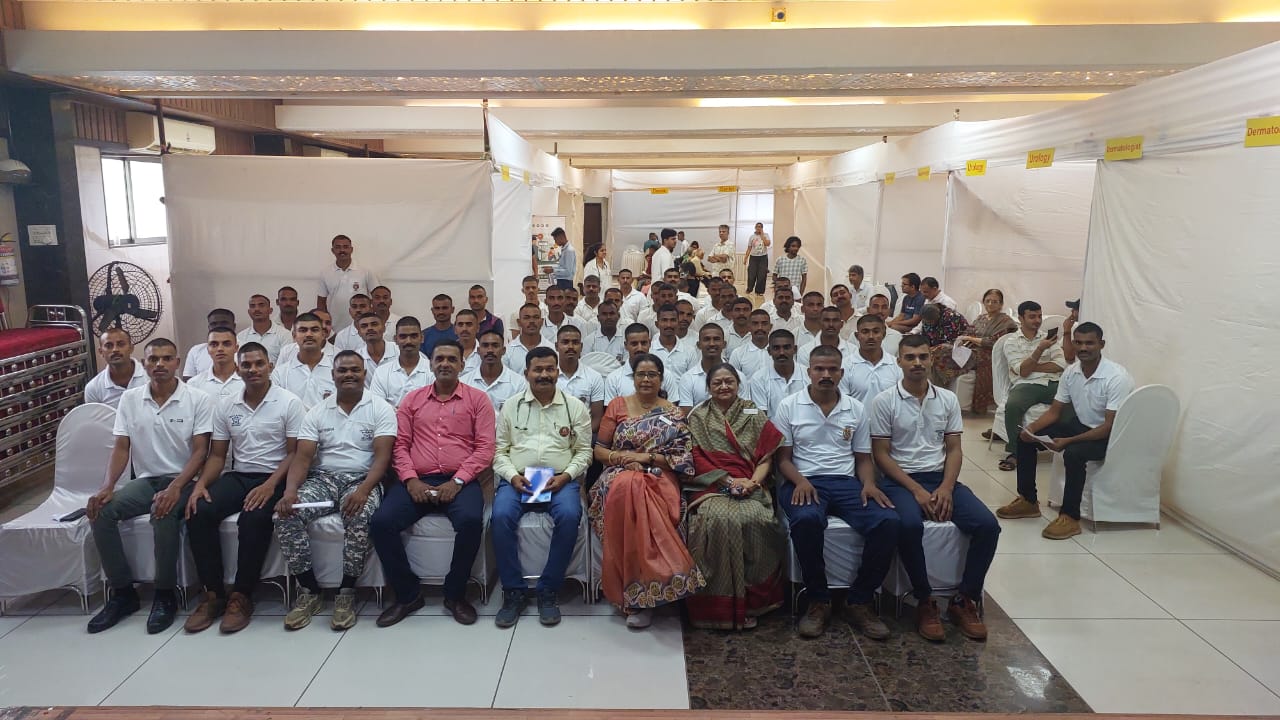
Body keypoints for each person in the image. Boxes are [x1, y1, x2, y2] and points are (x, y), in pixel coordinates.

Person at [870, 334, 1000, 641]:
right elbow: (881, 455)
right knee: (908, 525)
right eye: (910, 357)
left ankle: (964, 599)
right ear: (899, 362)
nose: (917, 363)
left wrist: (946, 488)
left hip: (940, 477)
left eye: (923, 357)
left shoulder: (947, 399)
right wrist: (916, 491)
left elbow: (954, 449)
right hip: (900, 481)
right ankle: (924, 600)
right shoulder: (884, 401)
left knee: (987, 525)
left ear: (931, 360)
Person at [86, 338, 213, 634]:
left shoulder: (197, 398)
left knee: (162, 511)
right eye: (153, 359)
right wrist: (107, 486)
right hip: (146, 480)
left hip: (185, 480)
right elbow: (121, 446)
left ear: (177, 363)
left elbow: (200, 452)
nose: (160, 364)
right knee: (101, 511)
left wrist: (176, 487)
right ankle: (123, 593)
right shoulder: (130, 399)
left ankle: (165, 594)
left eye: (166, 358)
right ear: (144, 364)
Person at [773, 345, 898, 640]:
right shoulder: (789, 405)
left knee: (888, 522)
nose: (825, 374)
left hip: (845, 482)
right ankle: (818, 600)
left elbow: (863, 459)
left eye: (832, 369)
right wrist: (801, 481)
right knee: (807, 520)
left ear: (841, 373)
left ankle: (860, 600)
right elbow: (783, 460)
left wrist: (869, 484)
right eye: (819, 369)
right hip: (802, 480)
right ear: (809, 372)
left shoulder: (855, 408)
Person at [182, 342, 305, 634]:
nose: (253, 370)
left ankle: (241, 596)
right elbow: (217, 455)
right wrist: (200, 485)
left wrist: (270, 485)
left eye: (259, 364)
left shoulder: (288, 402)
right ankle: (213, 594)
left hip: (276, 476)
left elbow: (295, 453)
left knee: (254, 518)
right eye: (246, 365)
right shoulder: (227, 404)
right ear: (238, 370)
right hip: (239, 475)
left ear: (270, 367)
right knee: (199, 510)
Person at [372, 341, 496, 627]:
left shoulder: (478, 400)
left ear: (462, 365)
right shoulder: (412, 400)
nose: (445, 364)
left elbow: (485, 448)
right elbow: (400, 445)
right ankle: (408, 594)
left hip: (460, 480)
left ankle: (455, 595)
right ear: (430, 364)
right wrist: (410, 480)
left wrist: (458, 480)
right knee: (381, 523)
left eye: (452, 359)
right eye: (439, 359)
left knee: (470, 521)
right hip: (417, 478)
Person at [272, 351, 394, 631]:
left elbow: (382, 458)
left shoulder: (380, 408)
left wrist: (364, 490)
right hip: (323, 479)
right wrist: (290, 491)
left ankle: (346, 593)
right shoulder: (317, 411)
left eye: (355, 370)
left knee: (360, 516)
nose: (349, 374)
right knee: (285, 515)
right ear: (333, 375)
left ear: (364, 374)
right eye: (342, 370)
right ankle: (310, 591)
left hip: (363, 479)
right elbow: (303, 458)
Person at [591, 354, 705, 628]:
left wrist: (645, 458)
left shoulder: (674, 413)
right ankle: (642, 593)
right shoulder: (618, 406)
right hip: (618, 473)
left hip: (660, 476)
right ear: (633, 378)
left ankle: (649, 592)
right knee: (628, 487)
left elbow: (681, 459)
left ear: (661, 379)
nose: (645, 379)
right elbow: (599, 450)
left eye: (652, 374)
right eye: (640, 374)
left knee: (638, 489)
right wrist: (623, 459)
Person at [1001, 323, 1135, 540]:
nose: (1083, 348)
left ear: (1101, 344)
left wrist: (1069, 440)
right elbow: (1054, 412)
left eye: (1089, 343)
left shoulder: (1116, 377)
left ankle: (1070, 517)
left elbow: (1109, 427)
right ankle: (1028, 501)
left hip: (1110, 436)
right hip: (1082, 427)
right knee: (1025, 439)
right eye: (1078, 342)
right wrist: (1031, 428)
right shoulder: (1071, 372)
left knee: (1073, 453)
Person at [491, 347, 593, 628]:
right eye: (538, 370)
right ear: (526, 373)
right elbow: (499, 452)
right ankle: (513, 591)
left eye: (550, 369)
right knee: (499, 517)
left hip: (560, 480)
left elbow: (584, 452)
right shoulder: (511, 406)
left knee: (570, 516)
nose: (544, 375)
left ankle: (549, 589)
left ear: (558, 372)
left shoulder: (574, 407)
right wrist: (512, 476)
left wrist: (566, 477)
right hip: (518, 479)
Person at [685, 363, 784, 630]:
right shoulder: (698, 417)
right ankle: (716, 608)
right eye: (717, 382)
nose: (724, 386)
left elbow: (767, 457)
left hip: (752, 485)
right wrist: (728, 481)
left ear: (738, 384)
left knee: (756, 519)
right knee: (716, 520)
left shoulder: (752, 411)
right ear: (708, 387)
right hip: (713, 486)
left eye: (729, 381)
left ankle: (753, 603)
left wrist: (752, 483)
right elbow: (696, 458)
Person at [991, 301, 1067, 470]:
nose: (1037, 320)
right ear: (1021, 318)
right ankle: (1016, 452)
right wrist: (1039, 350)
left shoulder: (1049, 338)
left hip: (1052, 382)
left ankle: (1063, 444)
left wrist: (1031, 365)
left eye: (1039, 316)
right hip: (1026, 384)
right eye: (1032, 317)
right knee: (1013, 405)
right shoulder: (1011, 341)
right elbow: (1023, 373)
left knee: (1073, 402)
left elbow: (1061, 364)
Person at [955, 289, 1018, 416]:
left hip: (990, 356)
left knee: (943, 353)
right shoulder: (981, 318)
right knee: (943, 350)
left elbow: (994, 342)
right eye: (987, 301)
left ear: (1001, 304)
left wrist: (970, 339)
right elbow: (968, 332)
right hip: (972, 350)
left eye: (994, 302)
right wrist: (962, 339)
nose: (990, 304)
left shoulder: (1006, 322)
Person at [270, 313, 336, 409]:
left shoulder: (337, 371)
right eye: (303, 330)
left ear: (323, 334)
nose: (309, 334)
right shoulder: (280, 374)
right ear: (294, 335)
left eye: (314, 330)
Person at [316, 234, 378, 331]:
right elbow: (321, 302)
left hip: (362, 327)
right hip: (335, 328)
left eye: (345, 247)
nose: (342, 250)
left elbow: (377, 298)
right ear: (332, 250)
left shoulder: (365, 272)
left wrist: (372, 319)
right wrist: (324, 325)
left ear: (351, 249)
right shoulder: (325, 273)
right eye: (338, 247)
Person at [604, 323, 679, 401]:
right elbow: (611, 408)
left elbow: (672, 407)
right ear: (626, 345)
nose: (640, 348)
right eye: (634, 344)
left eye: (643, 343)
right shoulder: (613, 379)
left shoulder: (665, 375)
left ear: (650, 343)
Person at [371, 316, 434, 408]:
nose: (408, 341)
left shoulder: (434, 370)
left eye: (413, 336)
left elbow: (436, 406)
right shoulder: (381, 372)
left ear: (422, 338)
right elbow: (377, 407)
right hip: (389, 418)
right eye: (403, 336)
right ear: (395, 339)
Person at [841, 314, 903, 405]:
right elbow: (843, 403)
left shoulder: (897, 366)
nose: (871, 336)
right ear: (857, 336)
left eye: (876, 331)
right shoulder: (845, 365)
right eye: (865, 332)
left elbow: (901, 402)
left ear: (883, 334)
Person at [554, 325, 605, 433]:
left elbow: (596, 419)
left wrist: (579, 437)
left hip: (584, 436)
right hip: (552, 436)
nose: (570, 347)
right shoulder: (548, 377)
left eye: (575, 342)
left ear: (581, 347)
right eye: (565, 342)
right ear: (556, 346)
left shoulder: (594, 377)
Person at [463, 329, 529, 414]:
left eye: (495, 345)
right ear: (478, 351)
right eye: (485, 345)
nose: (490, 350)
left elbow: (521, 415)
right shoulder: (464, 382)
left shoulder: (519, 383)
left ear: (504, 350)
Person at [747, 329, 808, 417]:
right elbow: (761, 416)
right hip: (771, 426)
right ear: (769, 351)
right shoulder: (759, 378)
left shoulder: (808, 375)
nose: (781, 352)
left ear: (794, 349)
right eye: (776, 348)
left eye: (786, 347)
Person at [84, 327, 147, 408]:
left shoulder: (151, 376)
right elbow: (94, 416)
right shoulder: (93, 388)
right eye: (109, 346)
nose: (115, 349)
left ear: (131, 348)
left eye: (121, 344)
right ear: (101, 352)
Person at [918, 303, 972, 387]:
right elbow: (925, 338)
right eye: (926, 321)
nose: (929, 323)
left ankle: (939, 387)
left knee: (933, 357)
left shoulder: (951, 317)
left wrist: (934, 349)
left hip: (958, 347)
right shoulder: (926, 319)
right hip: (938, 346)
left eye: (931, 321)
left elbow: (954, 340)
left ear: (938, 315)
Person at [678, 323, 727, 413]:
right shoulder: (687, 378)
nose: (712, 344)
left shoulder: (738, 376)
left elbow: (744, 410)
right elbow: (686, 415)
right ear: (698, 345)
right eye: (707, 339)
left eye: (716, 339)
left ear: (724, 344)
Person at [189, 327, 245, 400]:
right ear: (208, 349)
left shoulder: (249, 381)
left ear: (236, 348)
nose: (220, 349)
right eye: (214, 345)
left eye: (226, 344)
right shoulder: (194, 384)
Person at [183, 308, 236, 380]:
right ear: (209, 327)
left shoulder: (245, 349)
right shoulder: (196, 351)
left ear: (234, 326)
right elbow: (188, 381)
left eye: (224, 323)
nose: (218, 326)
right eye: (214, 324)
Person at [238, 294, 288, 363]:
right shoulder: (241, 336)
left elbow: (287, 363)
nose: (257, 309)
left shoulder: (285, 334)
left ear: (270, 310)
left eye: (261, 305)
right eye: (252, 306)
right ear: (249, 312)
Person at [506, 303, 553, 374]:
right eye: (526, 318)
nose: (531, 321)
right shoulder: (507, 351)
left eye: (536, 317)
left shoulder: (552, 349)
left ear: (542, 322)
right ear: (519, 322)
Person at [651, 303, 695, 376]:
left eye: (673, 320)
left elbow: (693, 379)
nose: (669, 325)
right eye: (664, 320)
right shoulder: (649, 350)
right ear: (657, 324)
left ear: (678, 323)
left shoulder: (690, 351)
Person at [355, 312, 396, 387]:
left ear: (384, 328)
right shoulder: (356, 358)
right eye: (364, 326)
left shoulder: (400, 352)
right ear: (359, 333)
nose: (369, 328)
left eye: (374, 324)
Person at [729, 309, 772, 380]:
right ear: (748, 327)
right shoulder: (738, 354)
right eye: (755, 324)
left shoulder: (779, 352)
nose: (760, 328)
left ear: (770, 327)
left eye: (764, 324)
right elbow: (733, 380)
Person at [420, 293, 457, 358]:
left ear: (452, 309)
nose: (441, 312)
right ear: (432, 310)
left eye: (444, 308)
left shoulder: (460, 333)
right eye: (437, 308)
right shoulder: (423, 335)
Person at [453, 308, 483, 374]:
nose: (464, 329)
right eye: (460, 325)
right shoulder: (447, 353)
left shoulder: (485, 352)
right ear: (455, 329)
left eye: (469, 324)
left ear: (478, 328)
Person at [745, 222, 771, 297]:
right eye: (757, 226)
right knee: (751, 274)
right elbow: (749, 248)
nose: (758, 228)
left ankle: (759, 291)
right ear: (755, 227)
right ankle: (749, 288)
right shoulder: (752, 237)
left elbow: (767, 244)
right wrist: (746, 258)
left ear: (762, 228)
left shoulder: (766, 235)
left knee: (762, 275)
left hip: (763, 257)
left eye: (760, 227)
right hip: (753, 257)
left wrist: (762, 235)